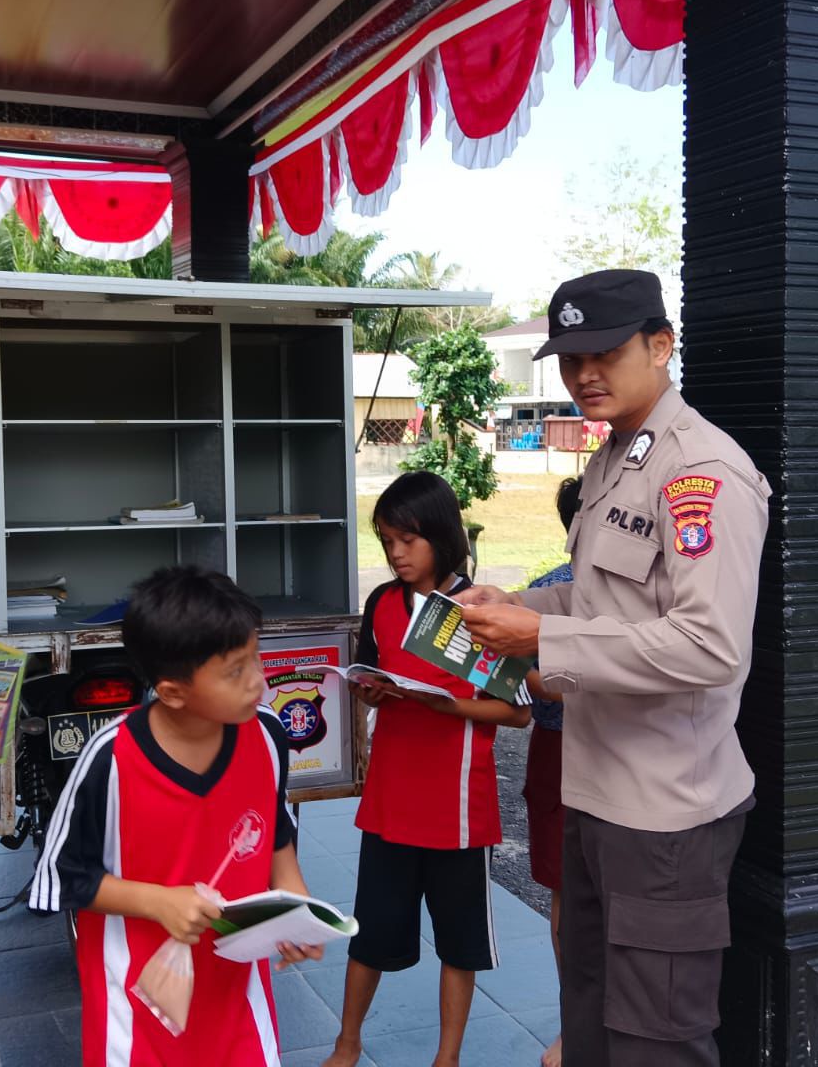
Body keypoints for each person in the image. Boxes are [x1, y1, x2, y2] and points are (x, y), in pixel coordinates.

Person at [460, 269, 771, 1067]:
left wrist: (545, 643)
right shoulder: (611, 464)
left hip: (667, 812)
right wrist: (521, 608)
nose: (583, 374)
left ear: (660, 346)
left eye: (604, 352)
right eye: (569, 359)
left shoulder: (703, 473)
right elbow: (606, 610)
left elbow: (709, 646)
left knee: (656, 1040)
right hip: (596, 795)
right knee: (590, 1017)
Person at [27, 565, 323, 1066]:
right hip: (137, 1008)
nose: (259, 680)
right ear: (171, 692)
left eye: (256, 658)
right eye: (235, 670)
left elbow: (275, 830)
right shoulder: (110, 758)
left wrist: (292, 897)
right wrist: (159, 902)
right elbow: (61, 879)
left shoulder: (268, 734)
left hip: (238, 998)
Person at [323, 471, 532, 1067]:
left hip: (458, 806)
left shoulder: (479, 609)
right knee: (371, 931)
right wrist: (374, 692)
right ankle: (347, 1043)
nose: (395, 553)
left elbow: (516, 714)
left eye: (407, 540)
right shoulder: (382, 603)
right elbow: (371, 674)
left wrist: (447, 705)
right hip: (390, 800)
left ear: (441, 536)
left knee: (459, 943)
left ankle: (447, 1058)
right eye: (387, 540)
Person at [525, 475, 582, 1067]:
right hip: (561, 752)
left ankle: (581, 1032)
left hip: (589, 751)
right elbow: (530, 689)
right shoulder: (546, 593)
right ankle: (576, 1029)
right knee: (571, 894)